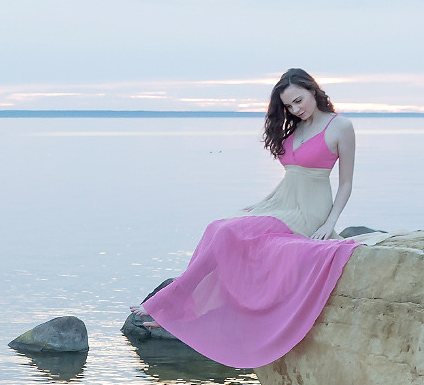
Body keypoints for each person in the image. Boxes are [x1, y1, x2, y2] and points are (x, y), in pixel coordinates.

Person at [136, 69, 365, 368]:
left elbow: (346, 183)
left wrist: (329, 224)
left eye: (299, 100)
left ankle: (172, 301)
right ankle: (182, 307)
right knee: (218, 226)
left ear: (313, 90)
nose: (296, 109)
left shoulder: (341, 127)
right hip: (283, 201)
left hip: (310, 210)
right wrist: (260, 204)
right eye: (290, 106)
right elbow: (291, 176)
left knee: (228, 234)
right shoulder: (296, 128)